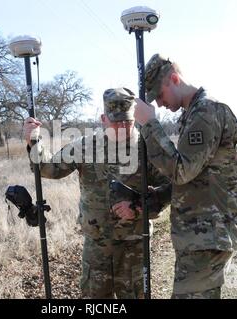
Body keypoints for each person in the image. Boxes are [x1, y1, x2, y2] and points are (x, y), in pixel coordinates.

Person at [23, 87, 171, 299]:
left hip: (135, 246)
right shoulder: (86, 147)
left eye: (127, 122)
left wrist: (139, 206)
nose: (121, 128)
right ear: (103, 119)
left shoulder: (147, 148)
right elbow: (48, 168)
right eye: (115, 122)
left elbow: (170, 186)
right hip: (97, 246)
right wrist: (33, 141)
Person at [133, 54, 237, 299]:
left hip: (209, 233)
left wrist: (150, 124)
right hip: (200, 234)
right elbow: (197, 174)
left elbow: (181, 170)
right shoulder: (193, 114)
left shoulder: (207, 112)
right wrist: (161, 196)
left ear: (174, 79)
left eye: (160, 96)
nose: (160, 104)